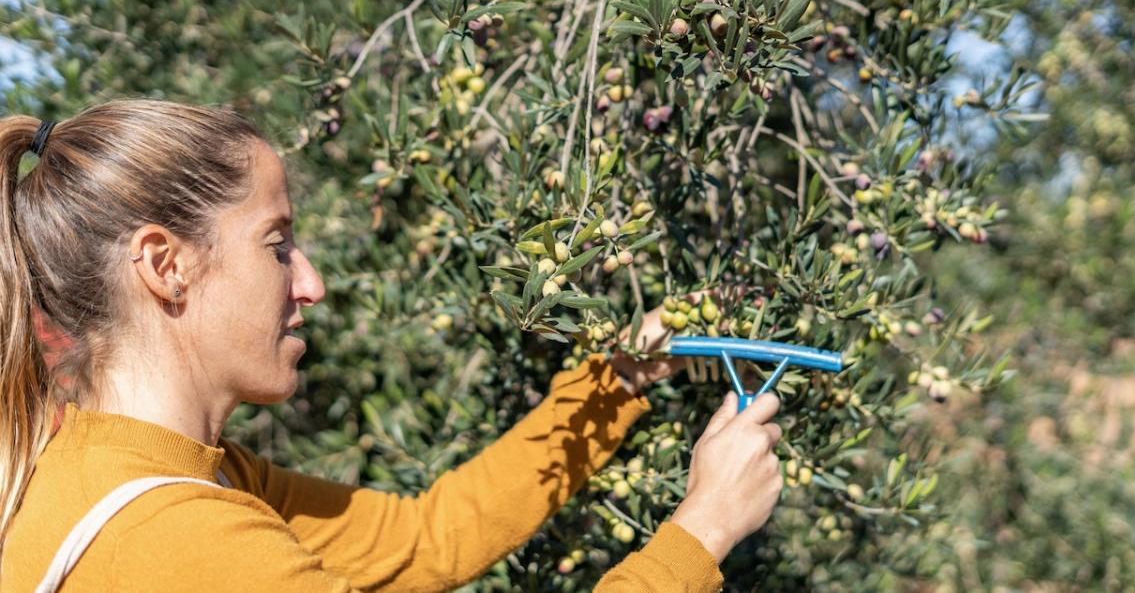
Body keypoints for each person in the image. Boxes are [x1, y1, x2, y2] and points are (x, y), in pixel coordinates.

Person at [0, 99, 784, 591]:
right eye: (277, 245)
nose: (310, 283)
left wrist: (617, 381)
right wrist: (702, 531)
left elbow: (425, 537)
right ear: (166, 265)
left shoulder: (144, 469)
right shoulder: (187, 543)